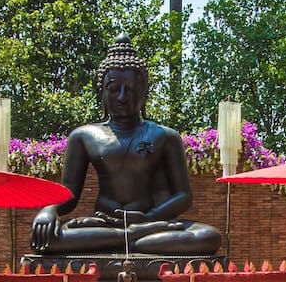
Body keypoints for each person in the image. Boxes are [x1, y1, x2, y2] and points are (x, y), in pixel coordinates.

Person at [29, 36, 221, 255]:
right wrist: (49, 210)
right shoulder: (83, 136)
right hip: (105, 222)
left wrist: (150, 218)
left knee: (208, 236)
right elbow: (70, 194)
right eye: (114, 89)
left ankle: (118, 240)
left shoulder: (165, 136)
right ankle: (129, 238)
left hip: (150, 221)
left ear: (144, 93)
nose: (121, 97)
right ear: (101, 91)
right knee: (43, 239)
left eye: (130, 89)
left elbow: (183, 196)